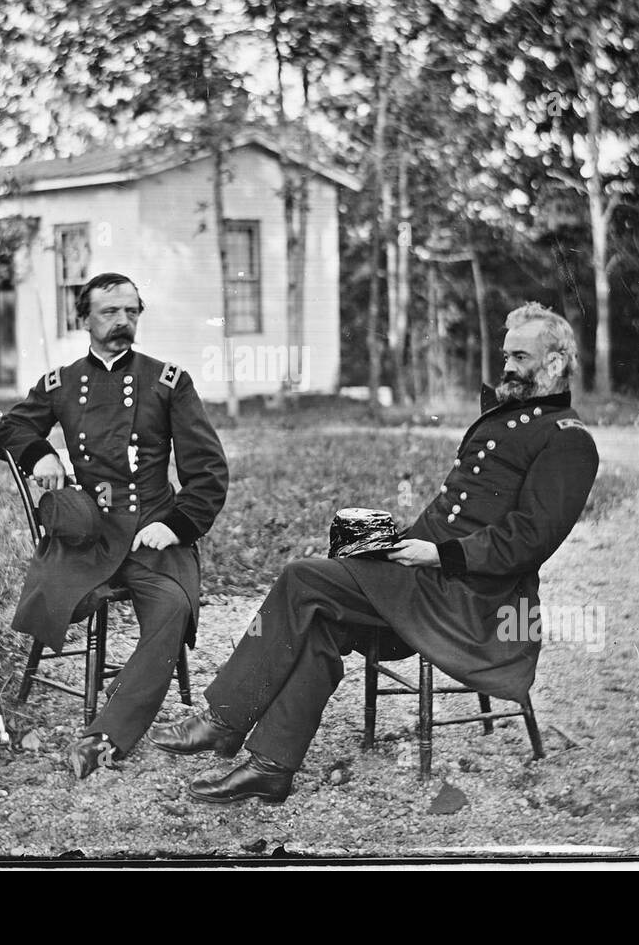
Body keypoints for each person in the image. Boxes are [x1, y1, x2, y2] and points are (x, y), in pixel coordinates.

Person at [149, 302, 599, 803]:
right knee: (319, 616)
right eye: (506, 355)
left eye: (520, 356)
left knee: (303, 578)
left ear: (556, 363)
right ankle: (271, 766)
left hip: (475, 599)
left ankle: (224, 719)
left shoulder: (568, 441)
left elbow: (531, 539)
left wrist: (439, 555)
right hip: (427, 578)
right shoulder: (509, 418)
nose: (508, 366)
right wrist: (392, 546)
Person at [0, 273, 228, 779]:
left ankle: (104, 738)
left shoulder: (168, 382)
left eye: (132, 312)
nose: (123, 322)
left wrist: (179, 526)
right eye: (109, 312)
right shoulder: (62, 382)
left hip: (152, 536)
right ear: (85, 320)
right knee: (59, 602)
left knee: (169, 609)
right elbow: (9, 426)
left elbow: (207, 471)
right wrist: (39, 451)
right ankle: (130, 693)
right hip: (88, 539)